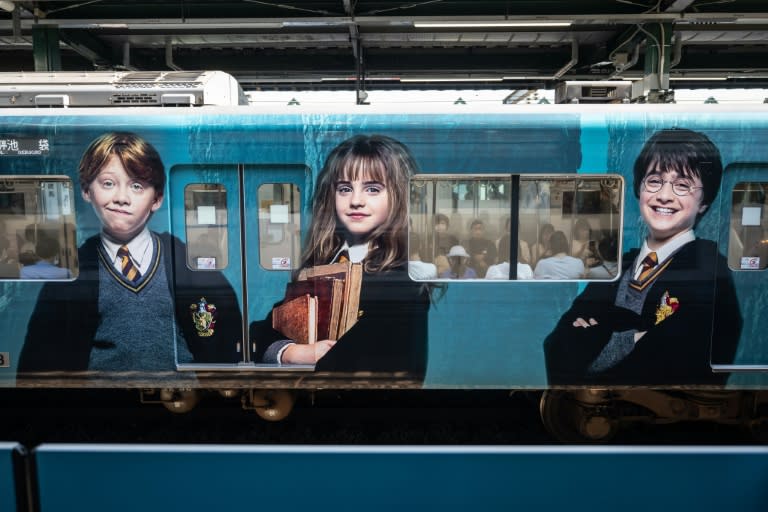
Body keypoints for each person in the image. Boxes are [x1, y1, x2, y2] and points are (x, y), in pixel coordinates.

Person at [18, 132, 242, 373]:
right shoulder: (68, 274)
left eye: (137, 186)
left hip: (181, 402)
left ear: (156, 199)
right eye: (108, 183)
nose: (121, 198)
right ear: (86, 190)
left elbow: (228, 349)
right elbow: (37, 366)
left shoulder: (191, 265)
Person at [543, 128, 742, 385]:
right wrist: (634, 335)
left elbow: (670, 363)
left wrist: (599, 334)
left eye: (682, 185)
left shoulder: (710, 269)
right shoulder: (622, 265)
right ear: (639, 187)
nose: (664, 195)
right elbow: (557, 344)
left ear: (704, 201)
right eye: (654, 180)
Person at [251, 134, 430, 376]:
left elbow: (349, 364)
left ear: (399, 196)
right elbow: (261, 332)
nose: (356, 201)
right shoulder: (323, 265)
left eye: (373, 189)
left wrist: (307, 358)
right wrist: (294, 353)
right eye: (345, 189)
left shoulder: (405, 279)